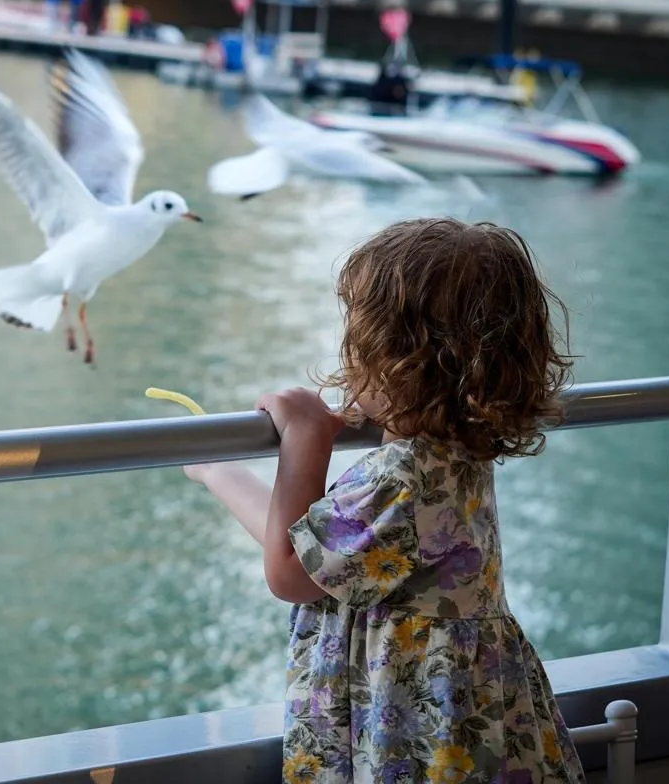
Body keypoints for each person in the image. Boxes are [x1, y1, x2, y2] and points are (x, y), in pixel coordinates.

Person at [184, 218, 584, 784]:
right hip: (463, 708)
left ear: (399, 358)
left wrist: (302, 437)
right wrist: (225, 472)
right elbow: (316, 542)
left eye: (358, 336)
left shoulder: (401, 476)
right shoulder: (460, 449)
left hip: (409, 726)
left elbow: (293, 572)